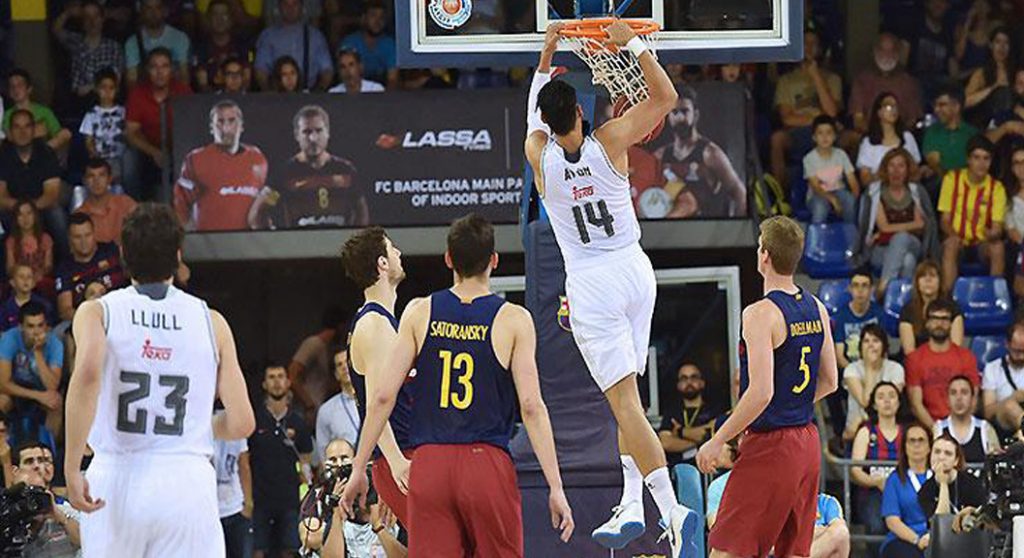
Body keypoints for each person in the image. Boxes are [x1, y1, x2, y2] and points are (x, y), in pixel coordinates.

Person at [523, 22, 694, 555]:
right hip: (635, 271)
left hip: (592, 284)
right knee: (631, 404)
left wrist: (548, 52)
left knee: (622, 405)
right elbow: (665, 96)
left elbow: (534, 113)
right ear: (579, 113)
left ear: (550, 124)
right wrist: (630, 42)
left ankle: (672, 510)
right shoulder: (612, 139)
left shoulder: (539, 156)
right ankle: (631, 500)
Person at [340, 214, 575, 556]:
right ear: (493, 260)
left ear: (448, 258)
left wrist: (359, 467)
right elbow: (531, 407)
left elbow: (382, 398)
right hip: (485, 459)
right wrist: (556, 485)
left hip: (430, 463)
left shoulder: (419, 312)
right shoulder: (514, 319)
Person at [63, 203, 256, 557]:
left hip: (117, 475)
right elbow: (242, 422)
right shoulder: (212, 321)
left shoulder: (97, 311)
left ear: (123, 254)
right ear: (178, 256)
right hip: (186, 480)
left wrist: (72, 464)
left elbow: (88, 374)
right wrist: (200, 423)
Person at [696, 215, 839, 558]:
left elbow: (761, 392)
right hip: (806, 442)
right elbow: (830, 381)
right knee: (791, 551)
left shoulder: (760, 313)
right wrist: (791, 406)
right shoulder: (817, 307)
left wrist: (717, 440)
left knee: (726, 551)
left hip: (772, 446)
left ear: (764, 255)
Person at [340, 226, 414, 527]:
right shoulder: (374, 324)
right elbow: (377, 404)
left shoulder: (382, 321)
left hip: (400, 456)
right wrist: (394, 462)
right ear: (382, 263)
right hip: (403, 457)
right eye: (392, 248)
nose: (399, 253)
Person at [253, 105, 368, 229]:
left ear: (328, 132)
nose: (313, 138)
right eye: (306, 132)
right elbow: (257, 214)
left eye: (318, 131)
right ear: (297, 135)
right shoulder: (285, 174)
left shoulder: (346, 170)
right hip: (301, 246)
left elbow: (361, 211)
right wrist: (278, 241)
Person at [297, 438, 405, 557]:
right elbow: (310, 538)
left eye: (344, 458)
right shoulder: (318, 494)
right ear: (324, 464)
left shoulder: (374, 486)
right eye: (332, 460)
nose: (339, 464)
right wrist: (336, 512)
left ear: (356, 460)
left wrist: (376, 522)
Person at [173, 100, 269, 231]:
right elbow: (180, 203)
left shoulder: (258, 159)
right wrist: (193, 239)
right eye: (220, 121)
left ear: (241, 126)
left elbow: (268, 199)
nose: (226, 128)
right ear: (211, 128)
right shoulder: (195, 159)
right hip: (209, 244)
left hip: (248, 244)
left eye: (231, 121)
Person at [652, 85, 747, 218]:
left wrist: (735, 231)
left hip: (707, 232)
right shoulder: (660, 155)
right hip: (671, 232)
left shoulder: (710, 154)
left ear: (695, 115)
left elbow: (739, 193)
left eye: (684, 111)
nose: (679, 117)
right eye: (674, 112)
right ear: (668, 117)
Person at [249, 364, 314, 558]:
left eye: (280, 377)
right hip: (259, 500)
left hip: (290, 501)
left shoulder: (298, 421)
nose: (276, 381)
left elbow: (306, 460)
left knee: (289, 551)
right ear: (264, 384)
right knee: (258, 551)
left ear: (288, 382)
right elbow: (244, 457)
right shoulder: (255, 419)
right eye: (271, 377)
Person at [769, 28, 843, 188]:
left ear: (820, 49)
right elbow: (787, 118)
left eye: (813, 43)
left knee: (852, 138)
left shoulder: (832, 78)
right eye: (805, 43)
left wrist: (816, 75)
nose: (809, 47)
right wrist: (816, 119)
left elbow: (831, 113)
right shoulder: (786, 81)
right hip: (799, 133)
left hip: (829, 132)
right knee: (777, 139)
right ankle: (781, 195)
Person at [124, 47, 193, 203]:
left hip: (177, 150)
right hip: (146, 150)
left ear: (172, 69)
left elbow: (191, 127)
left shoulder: (183, 91)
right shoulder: (137, 93)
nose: (159, 72)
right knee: (128, 160)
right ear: (147, 70)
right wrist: (154, 152)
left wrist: (175, 151)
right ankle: (135, 208)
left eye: (165, 66)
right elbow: (131, 133)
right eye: (154, 67)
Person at [938, 135, 1007, 290]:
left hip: (982, 244)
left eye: (986, 158)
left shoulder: (996, 188)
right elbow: (945, 221)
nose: (981, 164)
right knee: (950, 245)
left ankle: (994, 296)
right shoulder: (952, 179)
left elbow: (997, 227)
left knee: (998, 247)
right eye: (976, 158)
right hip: (957, 241)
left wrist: (993, 234)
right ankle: (948, 299)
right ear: (968, 159)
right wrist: (954, 235)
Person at [862, 149, 930, 299]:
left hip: (913, 243)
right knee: (908, 261)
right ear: (885, 169)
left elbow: (922, 225)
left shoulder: (916, 192)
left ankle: (883, 286)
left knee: (902, 238)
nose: (896, 171)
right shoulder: (875, 192)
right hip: (881, 249)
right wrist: (911, 225)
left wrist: (889, 232)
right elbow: (884, 227)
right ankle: (901, 301)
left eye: (901, 166)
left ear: (908, 169)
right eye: (891, 166)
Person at [0, 111, 67, 258]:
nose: (22, 132)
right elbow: (1, 196)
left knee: (57, 214)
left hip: (41, 207)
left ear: (34, 130)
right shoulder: (3, 154)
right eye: (17, 127)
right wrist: (21, 210)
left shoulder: (46, 152)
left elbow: (52, 194)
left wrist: (29, 209)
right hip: (13, 209)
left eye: (27, 126)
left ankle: (67, 262)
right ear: (10, 132)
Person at [905, 299, 980, 428]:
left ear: (951, 324)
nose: (939, 323)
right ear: (927, 323)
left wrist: (956, 428)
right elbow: (916, 405)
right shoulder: (914, 359)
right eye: (934, 318)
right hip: (929, 428)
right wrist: (938, 430)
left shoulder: (966, 357)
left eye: (945, 319)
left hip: (961, 425)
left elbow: (973, 400)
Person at [850, 382, 904, 553]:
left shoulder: (908, 433)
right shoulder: (866, 432)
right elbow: (856, 470)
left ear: (899, 402)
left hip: (903, 492)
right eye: (881, 397)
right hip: (873, 493)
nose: (887, 401)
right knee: (875, 527)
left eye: (891, 396)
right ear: (874, 404)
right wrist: (876, 482)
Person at [0, 303, 63, 445]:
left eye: (40, 326)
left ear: (46, 326)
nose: (36, 332)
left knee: (56, 402)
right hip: (15, 389)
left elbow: (52, 386)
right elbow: (3, 384)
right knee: (2, 400)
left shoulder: (55, 344)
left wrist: (38, 353)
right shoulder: (9, 338)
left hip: (41, 389)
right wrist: (37, 396)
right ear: (21, 326)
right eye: (30, 326)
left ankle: (49, 455)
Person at [13, 441, 82, 557]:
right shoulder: (7, 511)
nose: (37, 466)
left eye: (41, 460)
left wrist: (59, 516)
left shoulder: (64, 510)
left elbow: (88, 542)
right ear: (15, 471)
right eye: (29, 461)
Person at [848, 33, 925, 137]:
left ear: (898, 53)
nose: (886, 55)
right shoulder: (862, 80)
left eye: (891, 51)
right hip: (869, 137)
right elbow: (858, 119)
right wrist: (878, 137)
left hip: (900, 139)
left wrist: (893, 136)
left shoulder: (909, 82)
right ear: (874, 51)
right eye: (882, 50)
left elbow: (913, 120)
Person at [55, 214, 127, 323]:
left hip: (121, 313)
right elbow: (65, 310)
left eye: (87, 235)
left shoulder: (112, 252)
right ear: (69, 238)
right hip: (85, 320)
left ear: (94, 233)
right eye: (77, 237)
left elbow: (134, 277)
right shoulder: (65, 268)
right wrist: (91, 320)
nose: (83, 241)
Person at [51, 0, 125, 106]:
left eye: (96, 16)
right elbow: (56, 30)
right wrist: (69, 12)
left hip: (106, 99)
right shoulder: (75, 42)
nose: (92, 21)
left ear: (102, 19)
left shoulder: (114, 47)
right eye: (87, 17)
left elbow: (116, 79)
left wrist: (91, 87)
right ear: (82, 21)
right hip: (80, 102)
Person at [880, 422, 933, 558]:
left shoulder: (939, 478)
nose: (916, 445)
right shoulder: (895, 479)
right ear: (905, 447)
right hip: (902, 539)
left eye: (921, 440)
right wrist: (917, 540)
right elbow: (892, 521)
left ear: (929, 447)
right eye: (911, 441)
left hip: (936, 537)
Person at [254, 0, 334, 91]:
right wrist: (269, 93)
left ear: (302, 7)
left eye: (295, 4)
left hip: (308, 94)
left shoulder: (316, 36)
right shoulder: (268, 36)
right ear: (279, 7)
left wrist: (318, 92)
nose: (290, 8)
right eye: (286, 4)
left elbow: (327, 70)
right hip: (278, 95)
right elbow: (260, 70)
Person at [843, 325, 905, 440]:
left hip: (888, 427)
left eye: (875, 341)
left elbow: (892, 402)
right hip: (855, 431)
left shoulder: (896, 369)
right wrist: (869, 368)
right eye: (866, 341)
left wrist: (862, 418)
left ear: (884, 346)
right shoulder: (851, 370)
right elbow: (866, 402)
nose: (871, 345)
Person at [287, 306, 347, 424]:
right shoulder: (313, 344)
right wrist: (309, 404)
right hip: (306, 411)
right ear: (340, 326)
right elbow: (292, 374)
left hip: (319, 408)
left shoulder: (326, 348)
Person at [657, 363, 722, 467]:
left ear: (702, 382)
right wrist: (699, 444)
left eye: (694, 377)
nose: (689, 382)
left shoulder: (714, 410)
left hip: (709, 467)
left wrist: (679, 432)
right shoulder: (672, 412)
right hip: (678, 467)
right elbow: (665, 442)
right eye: (684, 378)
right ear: (678, 385)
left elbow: (709, 433)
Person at [917, 433, 987, 526]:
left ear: (956, 460)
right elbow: (940, 523)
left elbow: (981, 519)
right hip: (942, 537)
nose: (941, 457)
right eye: (937, 452)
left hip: (970, 535)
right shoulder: (925, 490)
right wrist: (943, 484)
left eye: (948, 453)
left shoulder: (973, 483)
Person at [856, 92, 923, 186]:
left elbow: (915, 172)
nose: (893, 110)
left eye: (896, 107)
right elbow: (865, 178)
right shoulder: (868, 142)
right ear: (879, 112)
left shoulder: (907, 137)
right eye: (888, 107)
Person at [802, 115, 859, 224]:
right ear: (814, 137)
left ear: (835, 136)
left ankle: (850, 237)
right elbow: (815, 186)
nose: (825, 137)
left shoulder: (841, 154)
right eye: (820, 133)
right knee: (820, 208)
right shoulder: (809, 158)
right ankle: (817, 239)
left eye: (829, 133)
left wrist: (854, 197)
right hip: (817, 195)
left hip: (839, 191)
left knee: (849, 201)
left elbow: (853, 181)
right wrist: (833, 200)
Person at [899, 260, 965, 354]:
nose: (928, 280)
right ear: (917, 283)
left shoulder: (953, 308)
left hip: (946, 362)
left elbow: (956, 348)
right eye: (923, 276)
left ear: (940, 281)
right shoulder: (908, 310)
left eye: (933, 276)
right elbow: (909, 352)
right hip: (916, 364)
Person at [934, 375, 1001, 463]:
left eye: (964, 392)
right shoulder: (938, 429)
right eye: (953, 393)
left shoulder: (985, 429)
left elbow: (996, 462)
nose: (959, 398)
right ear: (947, 400)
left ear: (973, 399)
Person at [214, 408, 254, 558]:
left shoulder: (238, 433)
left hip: (234, 506)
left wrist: (248, 503)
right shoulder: (205, 430)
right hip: (213, 508)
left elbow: (244, 466)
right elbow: (244, 466)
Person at [1, 70, 72, 152]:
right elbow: (12, 137)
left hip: (42, 152)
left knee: (66, 133)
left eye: (20, 85)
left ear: (29, 89)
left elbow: (60, 134)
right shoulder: (7, 114)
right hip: (18, 155)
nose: (16, 89)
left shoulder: (44, 111)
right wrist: (38, 129)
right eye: (12, 86)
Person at [124, 0, 191, 86]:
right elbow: (131, 81)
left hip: (175, 94)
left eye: (158, 7)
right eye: (149, 8)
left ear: (164, 11)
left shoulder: (180, 38)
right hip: (145, 95)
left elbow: (184, 76)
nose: (153, 13)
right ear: (141, 11)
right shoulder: (132, 43)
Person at [78, 69, 128, 184]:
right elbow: (89, 140)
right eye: (103, 87)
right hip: (100, 158)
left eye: (111, 88)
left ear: (117, 90)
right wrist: (95, 156)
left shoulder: (124, 112)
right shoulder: (91, 114)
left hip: (120, 158)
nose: (107, 92)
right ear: (96, 89)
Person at [193, 0, 252, 93]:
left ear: (232, 19)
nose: (219, 19)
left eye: (224, 15)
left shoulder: (242, 45)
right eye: (215, 15)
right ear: (208, 19)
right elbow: (202, 84)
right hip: (209, 100)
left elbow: (247, 80)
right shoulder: (201, 47)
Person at [74, 158, 137, 245]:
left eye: (102, 175)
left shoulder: (126, 204)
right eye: (91, 176)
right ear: (84, 181)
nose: (96, 181)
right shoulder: (79, 215)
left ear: (109, 179)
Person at [922, 86, 977, 185]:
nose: (936, 109)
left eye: (942, 105)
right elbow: (934, 164)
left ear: (956, 107)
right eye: (935, 105)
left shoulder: (972, 134)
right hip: (942, 187)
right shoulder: (932, 132)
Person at [314, 350, 360, 464]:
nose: (345, 367)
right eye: (339, 365)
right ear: (336, 374)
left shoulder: (375, 399)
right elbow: (323, 454)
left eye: (348, 362)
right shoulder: (326, 410)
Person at [833, 269, 883, 372]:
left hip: (875, 368)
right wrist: (856, 373)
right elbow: (839, 356)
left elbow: (884, 349)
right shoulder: (841, 317)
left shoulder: (879, 314)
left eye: (864, 285)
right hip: (850, 370)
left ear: (871, 289)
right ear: (850, 289)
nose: (860, 290)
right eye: (856, 285)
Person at [963, 27, 1014, 127]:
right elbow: (965, 102)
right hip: (985, 121)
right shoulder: (982, 73)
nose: (1002, 47)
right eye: (998, 42)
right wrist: (993, 88)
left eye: (1006, 43)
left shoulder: (1014, 73)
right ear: (991, 45)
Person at [339, 1, 397, 87]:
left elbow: (392, 80)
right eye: (373, 16)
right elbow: (344, 76)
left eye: (382, 17)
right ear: (363, 18)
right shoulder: (349, 42)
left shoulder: (389, 44)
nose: (378, 21)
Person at [5, 200, 55, 296]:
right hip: (19, 280)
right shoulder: (12, 241)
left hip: (39, 279)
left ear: (35, 216)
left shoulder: (45, 239)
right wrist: (22, 276)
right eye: (20, 215)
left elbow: (48, 265)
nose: (25, 219)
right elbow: (10, 267)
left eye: (29, 213)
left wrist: (38, 275)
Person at [982, 320, 1024, 432]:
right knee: (1010, 406)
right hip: (1002, 422)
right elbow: (988, 412)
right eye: (1017, 351)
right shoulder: (993, 369)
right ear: (1007, 345)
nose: (1021, 357)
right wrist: (1013, 398)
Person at [0, 265, 55, 332]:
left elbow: (49, 328)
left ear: (33, 283)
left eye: (29, 277)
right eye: (21, 277)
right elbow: (2, 333)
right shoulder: (5, 308)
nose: (25, 280)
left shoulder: (44, 305)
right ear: (12, 282)